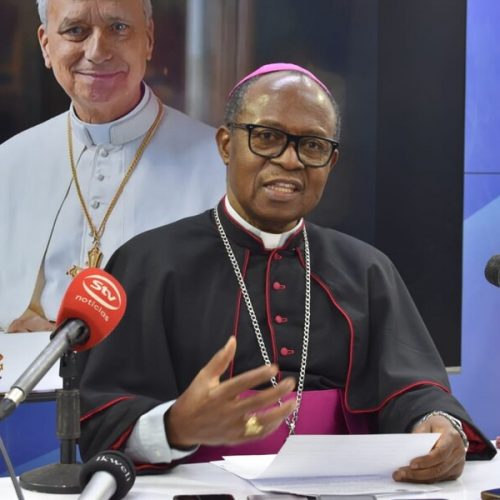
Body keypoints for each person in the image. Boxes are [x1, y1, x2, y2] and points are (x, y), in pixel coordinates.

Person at [78, 63, 496, 483]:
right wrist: (175, 426)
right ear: (226, 145)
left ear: (331, 161)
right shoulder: (149, 263)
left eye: (312, 145)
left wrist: (438, 424)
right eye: (266, 137)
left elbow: (415, 389)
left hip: (348, 485)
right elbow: (103, 422)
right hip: (197, 488)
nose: (289, 160)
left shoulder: (367, 268)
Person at [0, 0, 225, 332]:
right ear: (46, 45)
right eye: (75, 30)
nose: (97, 52)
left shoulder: (220, 166)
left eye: (118, 28)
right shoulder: (9, 163)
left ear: (148, 39)